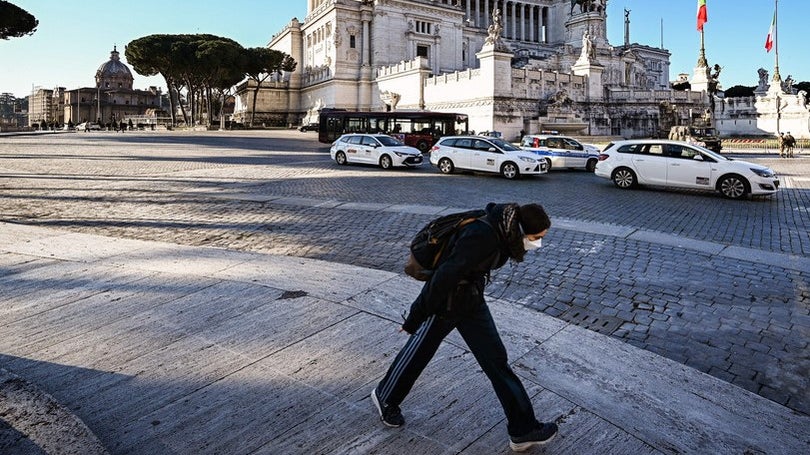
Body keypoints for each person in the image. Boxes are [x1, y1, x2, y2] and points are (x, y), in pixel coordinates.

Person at [371, 202, 559, 452]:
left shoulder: (503, 228)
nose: (537, 243)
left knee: (497, 361)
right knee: (419, 352)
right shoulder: (483, 236)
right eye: (536, 238)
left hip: (471, 300)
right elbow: (444, 276)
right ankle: (385, 397)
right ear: (522, 229)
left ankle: (523, 430)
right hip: (447, 302)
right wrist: (415, 316)